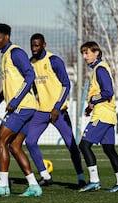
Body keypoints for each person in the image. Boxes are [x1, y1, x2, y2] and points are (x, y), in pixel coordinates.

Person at [0, 24, 42, 197]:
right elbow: (11, 85)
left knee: (0, 142)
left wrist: (15, 101)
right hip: (26, 107)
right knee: (15, 146)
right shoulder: (5, 56)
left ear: (7, 37)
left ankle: (3, 186)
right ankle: (34, 186)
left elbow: (30, 75)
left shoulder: (16, 53)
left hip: (22, 107)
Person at [25, 33, 86, 188]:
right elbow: (30, 85)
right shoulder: (30, 63)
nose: (34, 48)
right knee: (30, 141)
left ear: (44, 45)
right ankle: (45, 175)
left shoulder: (54, 61)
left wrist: (57, 107)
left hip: (58, 112)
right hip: (41, 111)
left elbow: (66, 84)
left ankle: (81, 178)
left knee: (71, 144)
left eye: (37, 45)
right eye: (32, 45)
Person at [78, 41, 118, 192]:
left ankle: (94, 180)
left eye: (87, 53)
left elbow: (107, 92)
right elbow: (101, 94)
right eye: (83, 53)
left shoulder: (100, 69)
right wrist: (90, 107)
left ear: (96, 52)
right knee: (109, 149)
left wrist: (92, 101)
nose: (85, 57)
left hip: (103, 114)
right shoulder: (98, 69)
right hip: (108, 114)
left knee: (84, 145)